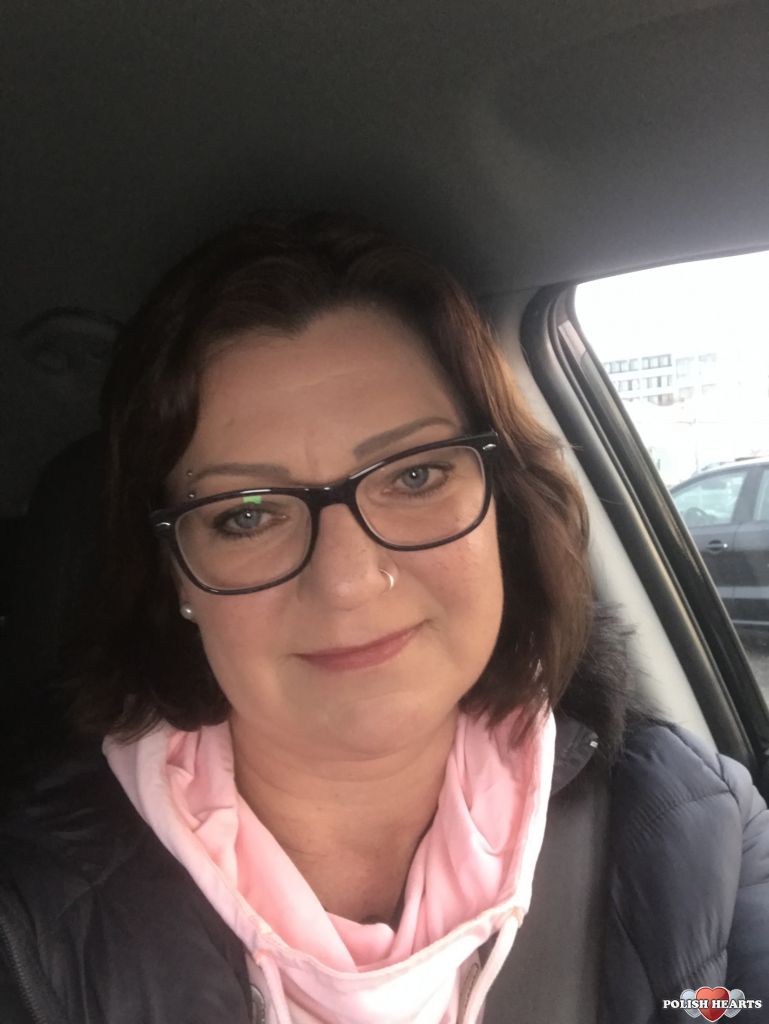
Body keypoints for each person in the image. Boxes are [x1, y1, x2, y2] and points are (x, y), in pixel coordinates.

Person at [0, 215, 767, 1024]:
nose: (348, 582)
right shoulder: (28, 919)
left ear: (501, 509)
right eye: (246, 515)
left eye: (414, 476)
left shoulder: (696, 829)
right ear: (174, 575)